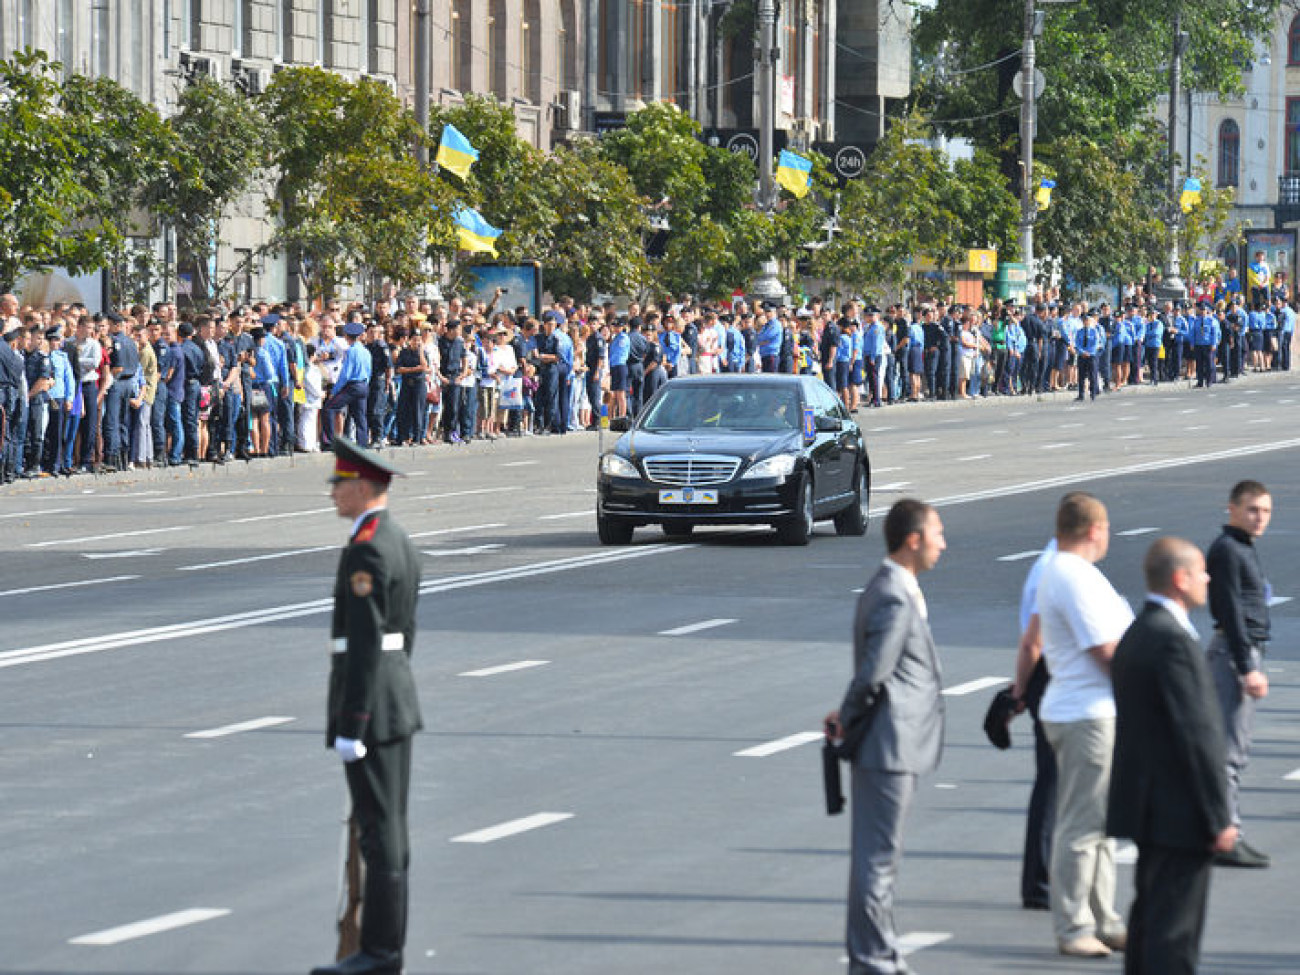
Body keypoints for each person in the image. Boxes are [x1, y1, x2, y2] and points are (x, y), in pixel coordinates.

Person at [313, 437, 423, 975]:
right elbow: (407, 634)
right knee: (390, 829)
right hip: (395, 697)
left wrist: (352, 721)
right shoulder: (397, 539)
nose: (333, 494)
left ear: (361, 487)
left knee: (379, 834)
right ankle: (386, 950)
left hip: (372, 708)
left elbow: (363, 642)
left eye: (339, 485)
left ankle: (379, 952)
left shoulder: (368, 548)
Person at [824, 499, 946, 975]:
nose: (943, 543)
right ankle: (873, 959)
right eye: (937, 533)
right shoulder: (894, 594)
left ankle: (876, 954)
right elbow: (876, 672)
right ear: (913, 539)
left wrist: (846, 713)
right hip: (889, 743)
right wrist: (850, 716)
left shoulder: (893, 587)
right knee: (877, 861)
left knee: (877, 859)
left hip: (890, 740)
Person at [1107, 537, 1236, 975]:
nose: (1207, 579)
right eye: (1201, 571)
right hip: (1179, 812)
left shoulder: (1139, 632)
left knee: (1149, 920)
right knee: (1174, 935)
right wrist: (1220, 816)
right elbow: (1198, 736)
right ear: (1180, 579)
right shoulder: (1174, 642)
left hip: (1149, 808)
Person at [1035, 491, 1132, 958]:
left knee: (1101, 823)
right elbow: (1106, 649)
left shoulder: (1075, 573)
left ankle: (1104, 918)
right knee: (1081, 826)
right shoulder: (1072, 575)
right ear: (1095, 528)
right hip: (1085, 713)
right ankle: (1074, 925)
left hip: (1092, 710)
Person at [1205, 479, 1273, 868]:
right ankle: (1227, 835)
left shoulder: (1241, 547)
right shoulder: (1229, 549)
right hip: (1235, 652)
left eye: (1265, 511)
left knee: (1233, 750)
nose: (1259, 517)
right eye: (1252, 509)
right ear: (1231, 508)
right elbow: (1230, 609)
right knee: (1230, 752)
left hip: (1240, 649)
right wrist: (1247, 667)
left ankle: (1225, 831)